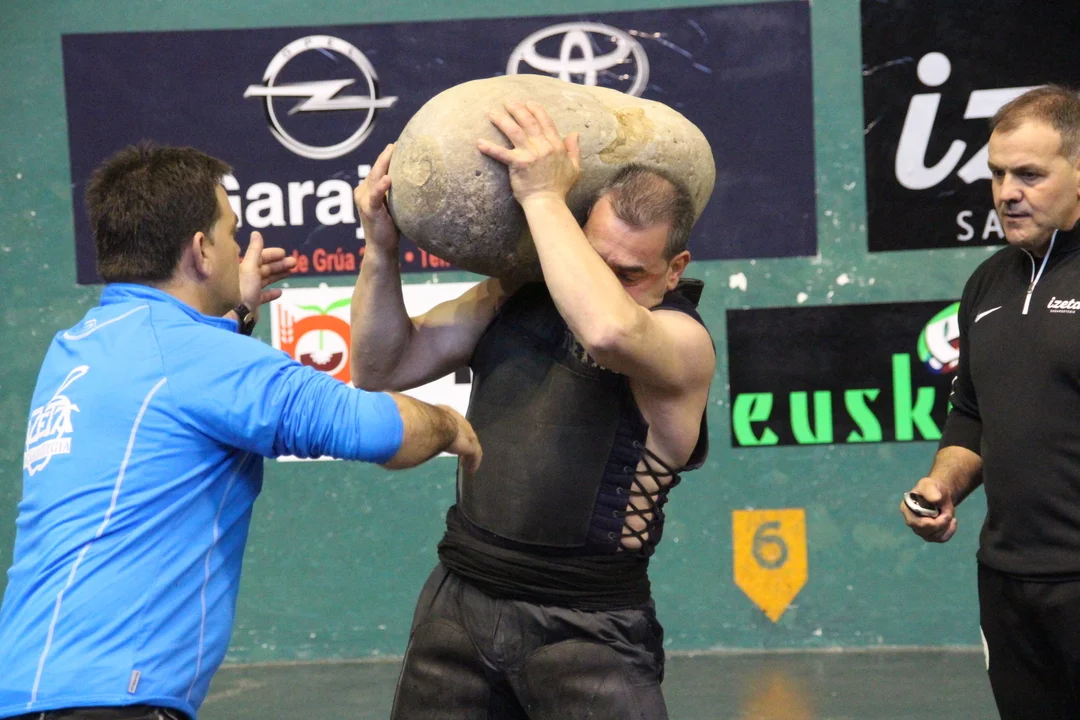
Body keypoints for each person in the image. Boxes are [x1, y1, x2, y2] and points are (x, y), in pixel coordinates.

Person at [0, 143, 481, 720]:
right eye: (230, 232)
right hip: (109, 703)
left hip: (29, 691)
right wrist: (449, 422)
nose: (238, 248)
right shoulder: (196, 357)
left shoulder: (78, 348)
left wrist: (234, 316)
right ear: (200, 251)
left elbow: (185, 384)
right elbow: (379, 430)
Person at [350, 100, 715, 719]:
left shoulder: (681, 343)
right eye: (592, 258)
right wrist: (380, 251)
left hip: (588, 628)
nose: (603, 281)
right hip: (458, 605)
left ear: (674, 270)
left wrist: (544, 197)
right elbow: (381, 368)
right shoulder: (511, 298)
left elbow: (607, 331)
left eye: (628, 273)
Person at [901, 85, 1080, 719]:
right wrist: (942, 484)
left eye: (1029, 175)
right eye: (998, 174)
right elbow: (971, 415)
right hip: (1007, 583)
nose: (1007, 192)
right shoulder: (988, 283)